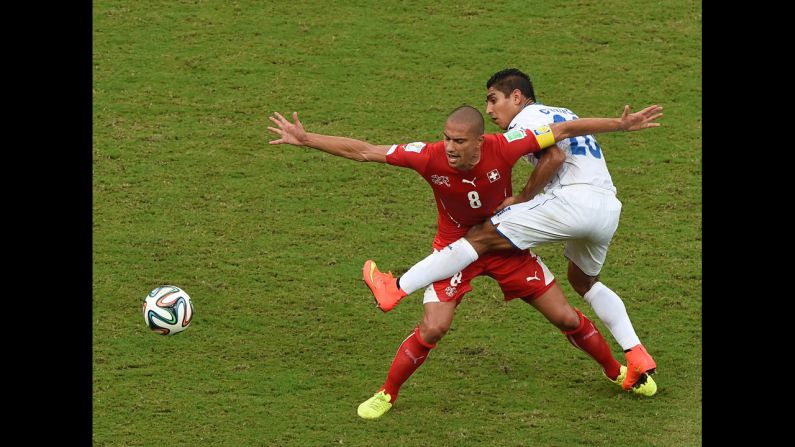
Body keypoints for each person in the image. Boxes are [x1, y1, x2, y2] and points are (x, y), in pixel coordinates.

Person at [267, 103, 662, 419]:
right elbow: (365, 151)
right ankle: (387, 393)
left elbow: (563, 132)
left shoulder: (505, 146)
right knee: (434, 328)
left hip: (506, 249)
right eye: (446, 139)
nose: (450, 147)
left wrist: (619, 125)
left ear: (480, 142)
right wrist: (306, 139)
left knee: (566, 318)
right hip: (455, 253)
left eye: (459, 141)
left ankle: (618, 372)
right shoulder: (428, 156)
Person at [364, 68, 661, 392]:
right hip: (607, 207)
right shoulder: (560, 111)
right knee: (584, 282)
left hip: (572, 202)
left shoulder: (525, 120)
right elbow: (569, 129)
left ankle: (395, 287)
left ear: (516, 97)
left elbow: (554, 157)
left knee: (480, 235)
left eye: (494, 100)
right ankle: (634, 352)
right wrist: (619, 124)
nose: (490, 111)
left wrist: (523, 197)